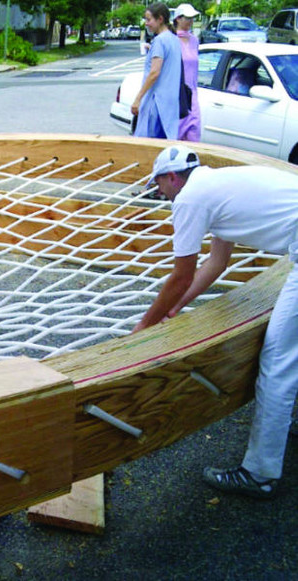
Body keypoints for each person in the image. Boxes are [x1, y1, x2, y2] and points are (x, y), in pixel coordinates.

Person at [133, 144, 298, 499]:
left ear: (172, 176)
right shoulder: (216, 185)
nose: (160, 192)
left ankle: (260, 474)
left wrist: (146, 324)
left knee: (277, 361)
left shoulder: (190, 199)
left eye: (159, 184)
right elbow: (216, 264)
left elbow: (181, 274)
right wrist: (176, 309)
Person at [132, 3, 181, 140]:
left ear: (160, 19)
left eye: (149, 20)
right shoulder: (174, 39)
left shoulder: (159, 41)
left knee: (148, 147)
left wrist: (138, 99)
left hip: (156, 102)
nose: (146, 24)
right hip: (170, 104)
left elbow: (154, 73)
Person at [174, 3, 201, 142]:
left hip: (192, 94)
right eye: (187, 18)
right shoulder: (171, 40)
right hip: (177, 94)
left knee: (194, 132)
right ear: (178, 19)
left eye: (192, 18)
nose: (190, 21)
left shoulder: (194, 40)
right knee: (175, 133)